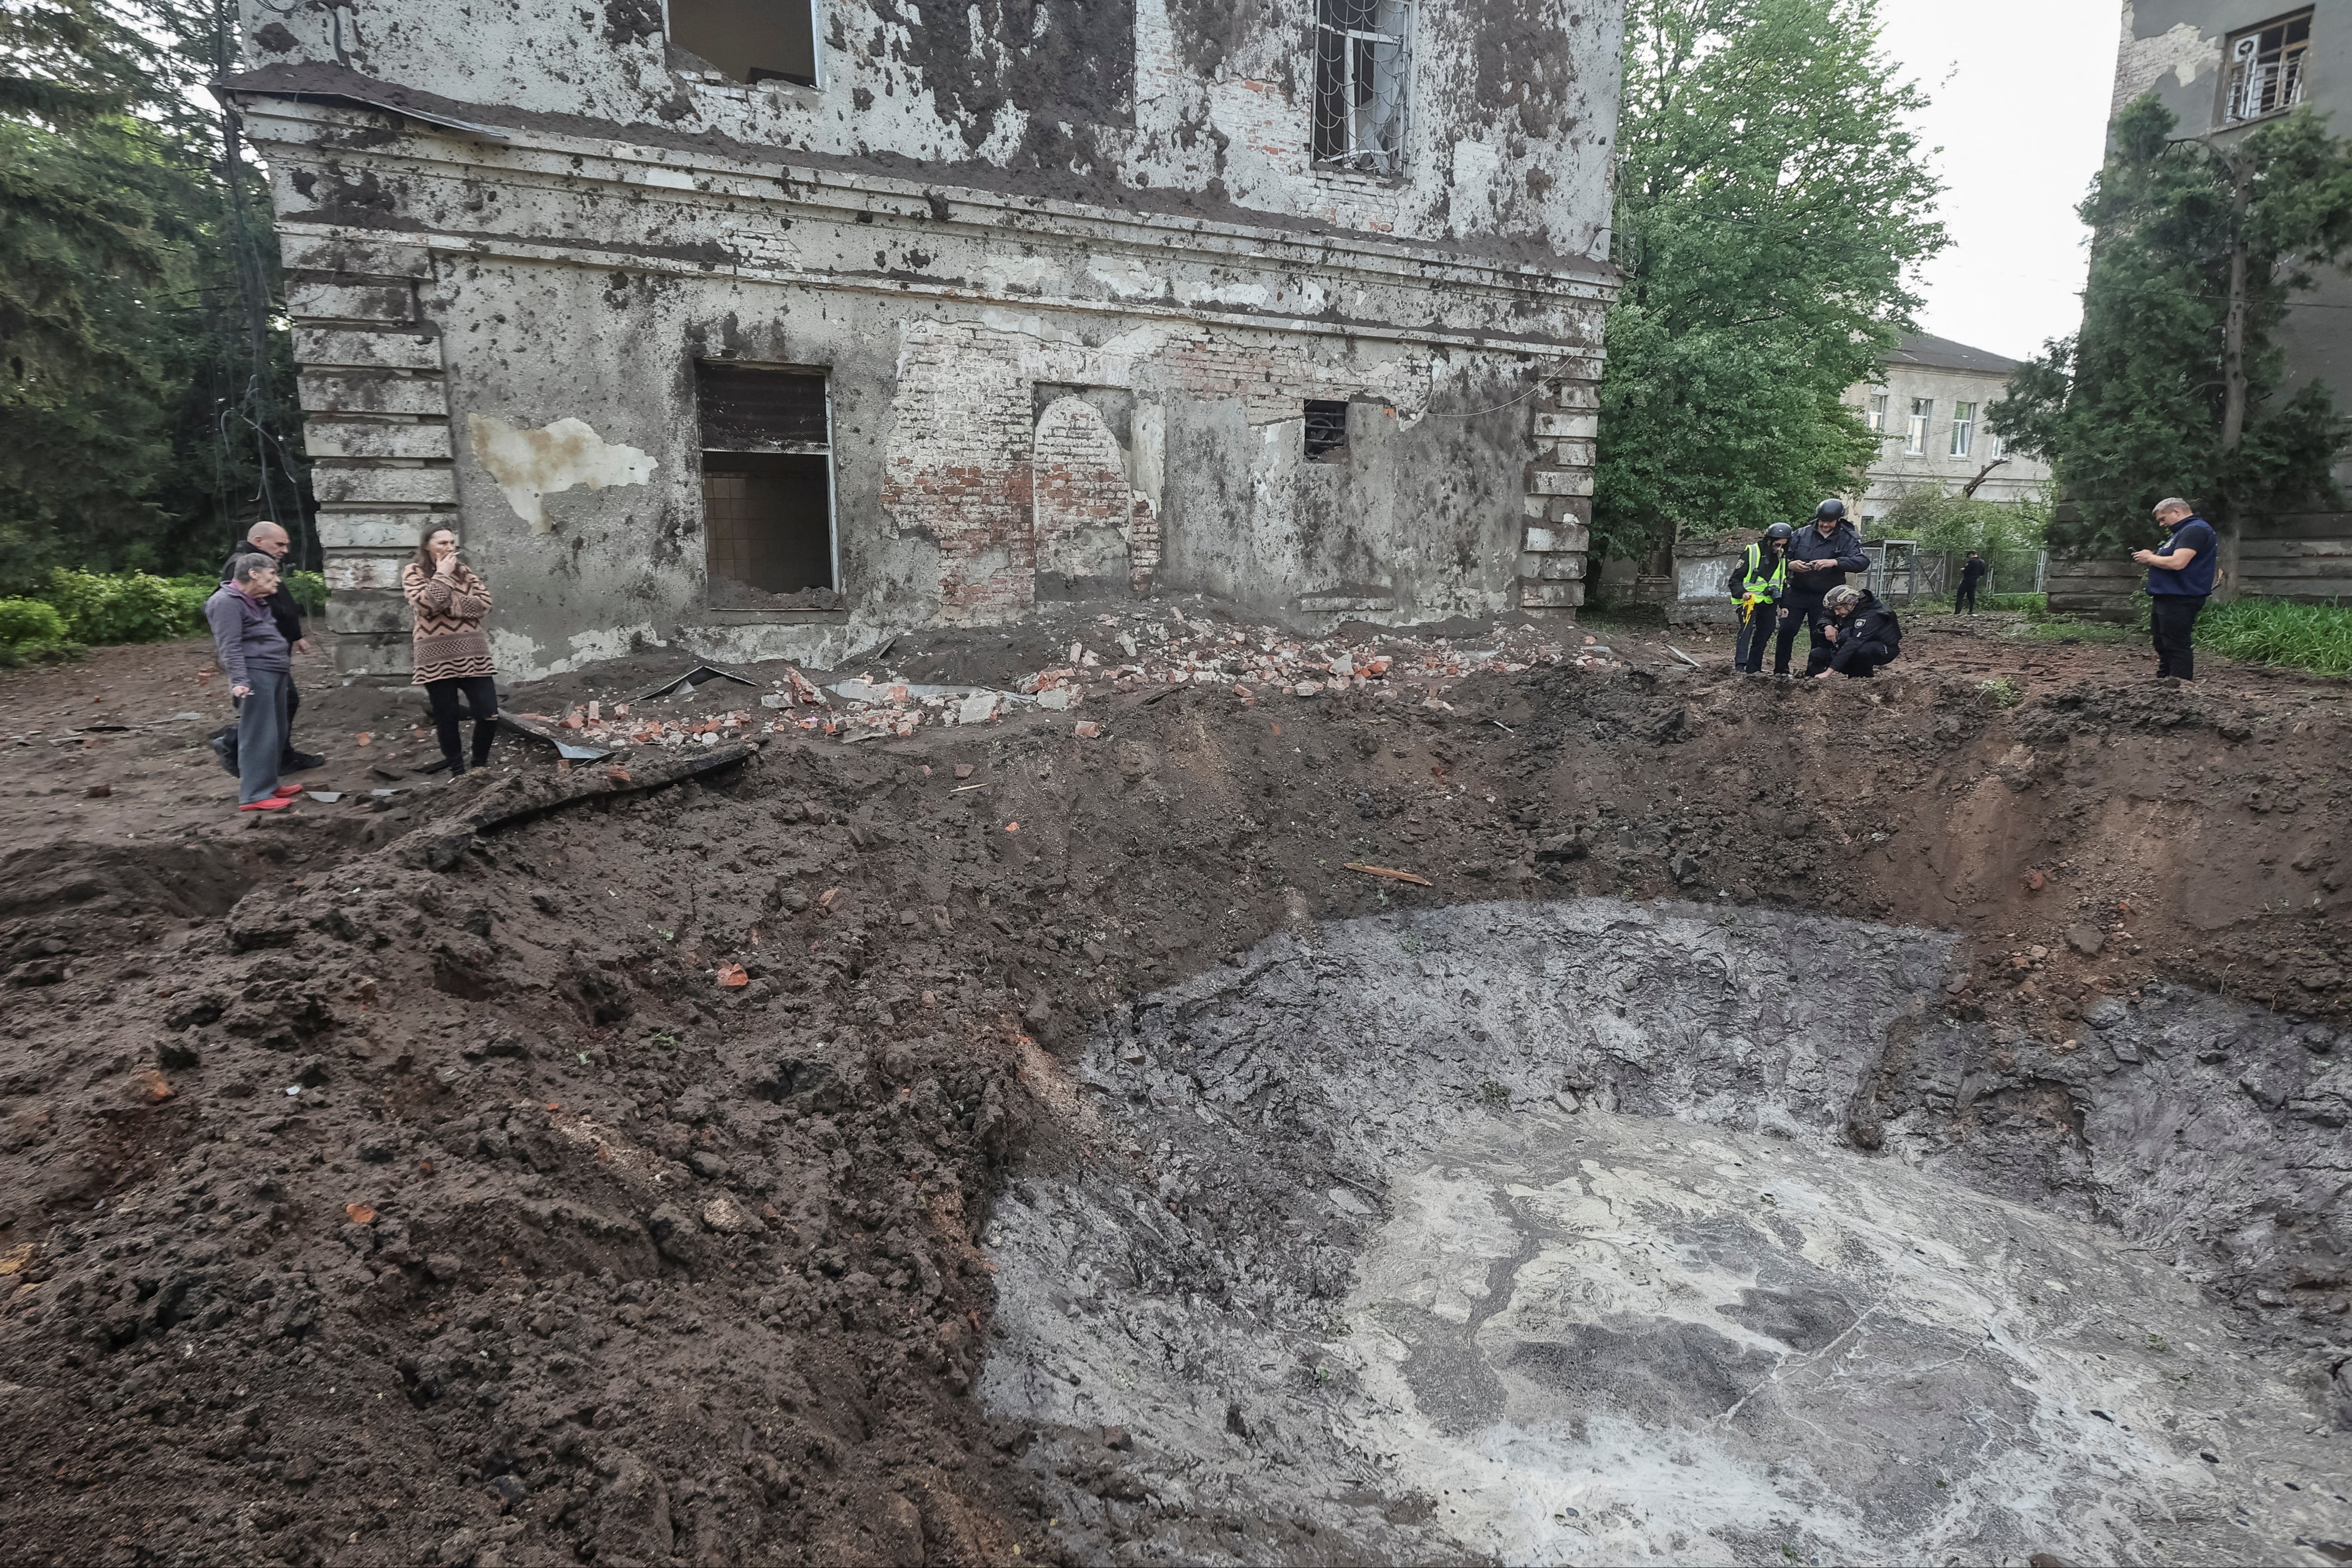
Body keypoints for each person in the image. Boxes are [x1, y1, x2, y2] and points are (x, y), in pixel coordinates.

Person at [218, 520, 325, 771]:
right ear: (259, 541)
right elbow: (248, 614)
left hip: (271, 651)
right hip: (258, 656)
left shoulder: (260, 564)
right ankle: (237, 748)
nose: (285, 550)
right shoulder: (241, 565)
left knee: (282, 704)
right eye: (280, 544)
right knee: (275, 706)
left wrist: (295, 634)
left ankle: (275, 758)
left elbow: (278, 603)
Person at [205, 554, 305, 812]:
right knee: (259, 734)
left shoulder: (256, 601)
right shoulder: (225, 602)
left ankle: (269, 785)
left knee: (276, 732)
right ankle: (254, 795)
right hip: (255, 674)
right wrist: (239, 680)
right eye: (273, 574)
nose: (277, 581)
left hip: (274, 671)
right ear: (254, 574)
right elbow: (229, 646)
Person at [403, 527, 502, 775]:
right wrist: (443, 575)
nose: (449, 548)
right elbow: (425, 606)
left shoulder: (464, 572)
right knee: (447, 718)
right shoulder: (413, 572)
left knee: (489, 713)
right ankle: (458, 772)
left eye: (452, 542)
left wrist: (447, 605)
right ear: (427, 545)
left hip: (473, 654)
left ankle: (479, 767)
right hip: (435, 656)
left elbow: (485, 604)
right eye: (442, 543)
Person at [1773, 499, 1869, 676]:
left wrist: (1835, 562)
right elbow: (1779, 557)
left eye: (1830, 521)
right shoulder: (1800, 534)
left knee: (1819, 635)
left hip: (1827, 598)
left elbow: (1862, 562)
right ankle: (1781, 671)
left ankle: (1814, 674)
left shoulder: (1848, 538)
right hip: (1797, 593)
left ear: (1838, 520)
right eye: (1822, 521)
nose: (1825, 525)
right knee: (1786, 631)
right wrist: (1791, 565)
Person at [2132, 496, 2218, 681]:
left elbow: (2178, 563)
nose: (2162, 524)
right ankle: (2164, 680)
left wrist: (2150, 558)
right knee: (2162, 642)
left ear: (2177, 512)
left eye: (2163, 519)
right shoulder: (2183, 532)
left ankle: (2180, 685)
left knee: (2176, 644)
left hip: (2181, 597)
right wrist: (2152, 561)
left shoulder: (2195, 530)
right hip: (2168, 596)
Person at [1729, 523, 1793, 673]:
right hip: (1749, 601)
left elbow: (1783, 583)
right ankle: (1741, 666)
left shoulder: (1782, 557)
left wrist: (1784, 605)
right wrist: (1742, 593)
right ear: (1769, 540)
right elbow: (1735, 581)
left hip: (1769, 601)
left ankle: (1754, 668)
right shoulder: (1752, 552)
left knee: (1766, 632)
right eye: (1777, 545)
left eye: (1783, 545)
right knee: (1746, 631)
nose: (1779, 549)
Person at [1808, 584, 1902, 678]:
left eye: (1838, 609)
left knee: (1863, 650)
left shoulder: (1872, 615)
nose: (1836, 613)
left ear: (1849, 604)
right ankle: (1811, 680)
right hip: (1855, 644)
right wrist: (1828, 626)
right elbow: (1826, 616)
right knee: (1817, 653)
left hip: (1883, 648)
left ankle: (1861, 679)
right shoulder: (1845, 607)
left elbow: (1853, 644)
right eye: (1834, 609)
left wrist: (1829, 672)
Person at [1956, 551, 1988, 616]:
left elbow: (1967, 571)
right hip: (1975, 581)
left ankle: (1957, 611)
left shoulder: (1971, 561)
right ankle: (1971, 610)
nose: (1968, 558)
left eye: (1968, 556)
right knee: (1971, 595)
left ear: (1971, 555)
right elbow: (1982, 573)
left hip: (1967, 580)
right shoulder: (1982, 562)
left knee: (1960, 594)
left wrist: (1963, 570)